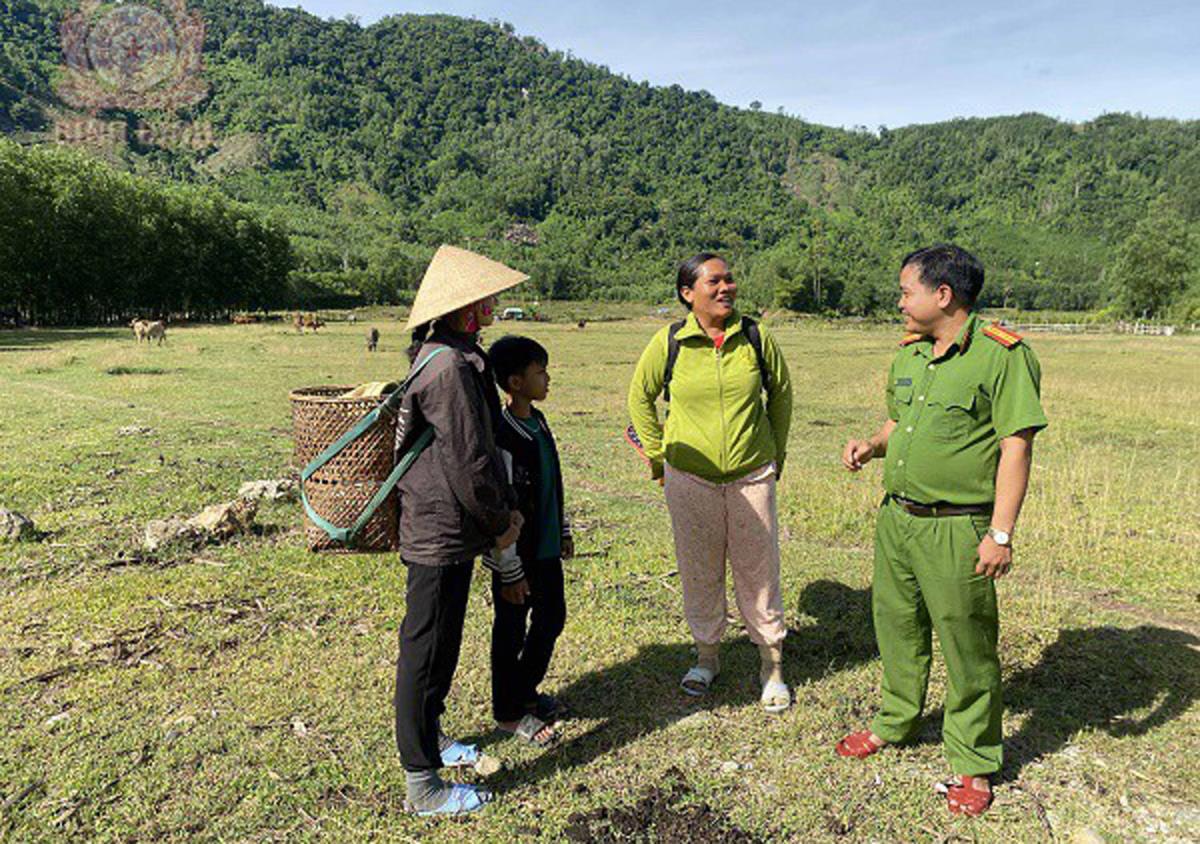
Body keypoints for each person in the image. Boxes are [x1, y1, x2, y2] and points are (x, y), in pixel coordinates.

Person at [836, 244, 1048, 817]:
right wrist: (872, 445)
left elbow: (1016, 446)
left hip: (958, 528)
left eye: (907, 291)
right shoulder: (909, 355)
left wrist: (1000, 534)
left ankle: (974, 760)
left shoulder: (1002, 356)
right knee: (896, 626)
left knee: (966, 645)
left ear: (943, 295)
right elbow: (898, 421)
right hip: (897, 519)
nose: (900, 301)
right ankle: (895, 721)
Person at [392, 245, 528, 817]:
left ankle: (433, 739)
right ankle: (421, 783)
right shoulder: (448, 366)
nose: (495, 302)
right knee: (424, 646)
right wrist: (500, 522)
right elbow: (470, 459)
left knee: (442, 640)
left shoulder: (455, 354)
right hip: (440, 528)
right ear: (463, 307)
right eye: (486, 296)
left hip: (448, 525)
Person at [627, 253, 794, 712]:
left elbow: (781, 394)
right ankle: (707, 657)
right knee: (699, 568)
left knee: (759, 570)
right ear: (688, 293)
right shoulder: (670, 341)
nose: (726, 288)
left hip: (751, 474)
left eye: (730, 280)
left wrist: (776, 453)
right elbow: (639, 397)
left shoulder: (755, 337)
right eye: (714, 282)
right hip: (689, 478)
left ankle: (771, 664)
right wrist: (659, 456)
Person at [484, 335, 574, 746]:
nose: (548, 378)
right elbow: (500, 506)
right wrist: (509, 570)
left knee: (552, 617)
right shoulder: (503, 435)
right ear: (516, 382)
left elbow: (552, 482)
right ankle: (508, 710)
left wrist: (565, 530)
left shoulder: (538, 422)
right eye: (540, 372)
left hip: (546, 548)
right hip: (517, 557)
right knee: (511, 630)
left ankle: (524, 692)